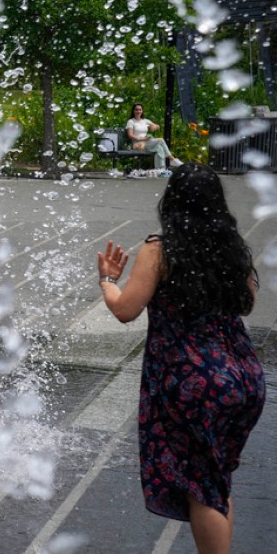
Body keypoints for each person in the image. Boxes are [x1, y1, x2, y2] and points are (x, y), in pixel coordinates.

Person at [96, 164, 264, 554]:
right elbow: (249, 302)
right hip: (243, 375)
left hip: (193, 379)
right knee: (215, 479)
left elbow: (126, 310)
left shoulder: (160, 249)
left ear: (172, 200)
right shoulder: (232, 245)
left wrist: (107, 281)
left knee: (205, 487)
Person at [126, 103, 183, 172]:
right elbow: (130, 135)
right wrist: (142, 139)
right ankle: (172, 159)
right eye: (136, 110)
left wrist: (153, 127)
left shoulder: (145, 121)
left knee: (159, 148)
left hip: (146, 142)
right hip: (137, 144)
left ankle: (160, 169)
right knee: (160, 140)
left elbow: (157, 126)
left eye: (140, 110)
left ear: (142, 111)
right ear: (133, 111)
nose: (138, 111)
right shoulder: (131, 121)